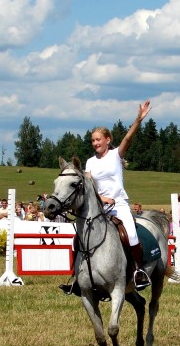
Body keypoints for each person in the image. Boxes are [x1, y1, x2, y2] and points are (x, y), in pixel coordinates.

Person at [62, 100, 153, 294]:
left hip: (119, 204)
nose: (95, 143)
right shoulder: (90, 162)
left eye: (98, 140)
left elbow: (128, 138)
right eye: (93, 141)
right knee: (76, 240)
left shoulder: (116, 155)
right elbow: (88, 185)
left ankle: (138, 271)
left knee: (132, 234)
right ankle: (77, 277)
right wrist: (100, 199)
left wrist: (138, 119)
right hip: (99, 207)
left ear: (108, 140)